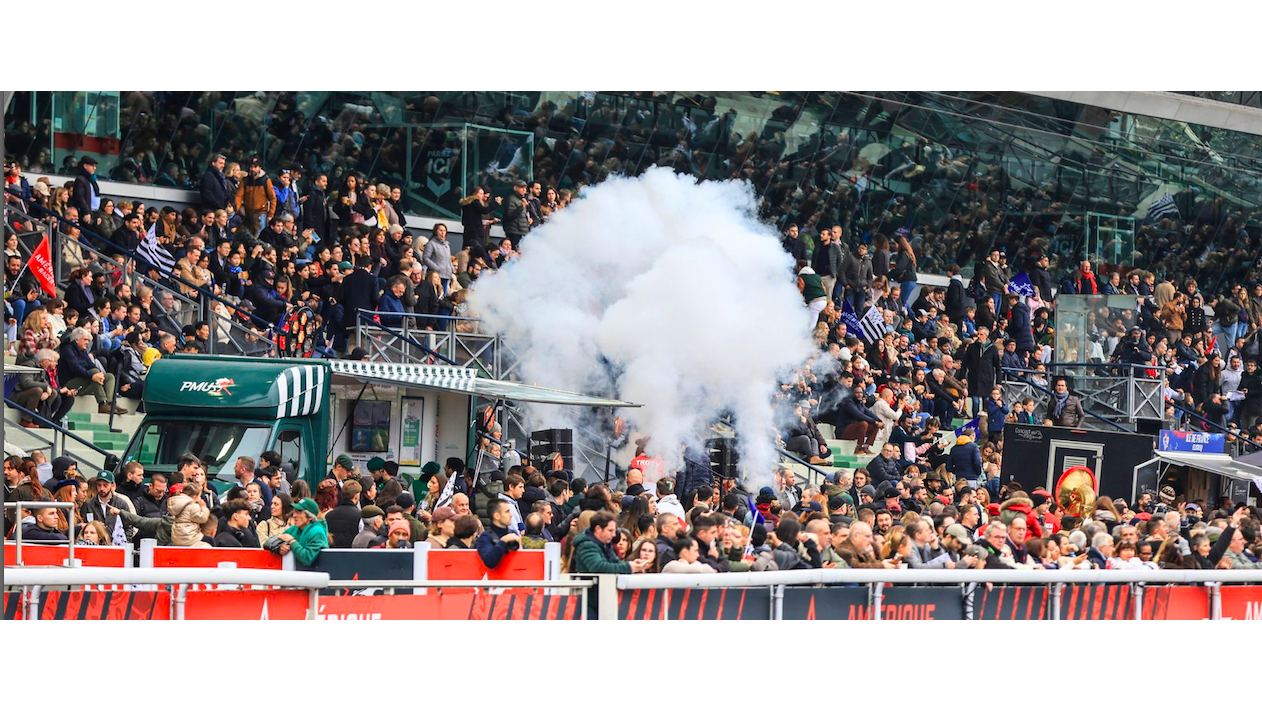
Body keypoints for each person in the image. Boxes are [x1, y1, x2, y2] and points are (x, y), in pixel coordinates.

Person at [573, 512, 649, 574]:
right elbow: (598, 567)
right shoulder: (587, 545)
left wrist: (633, 564)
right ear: (598, 529)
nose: (614, 535)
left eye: (614, 531)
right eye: (610, 531)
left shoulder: (605, 543)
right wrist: (628, 567)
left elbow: (615, 561)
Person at [275, 498, 329, 566]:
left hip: (315, 574)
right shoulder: (293, 529)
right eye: (294, 511)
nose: (294, 515)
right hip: (295, 573)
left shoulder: (317, 532)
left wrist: (292, 541)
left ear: (310, 517)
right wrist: (279, 547)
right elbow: (269, 543)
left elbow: (307, 558)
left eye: (299, 512)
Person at [475, 499, 522, 569]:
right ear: (497, 516)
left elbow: (522, 562)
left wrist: (521, 549)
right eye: (507, 512)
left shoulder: (513, 534)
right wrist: (503, 541)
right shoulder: (485, 537)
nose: (511, 515)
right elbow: (489, 562)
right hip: (492, 578)